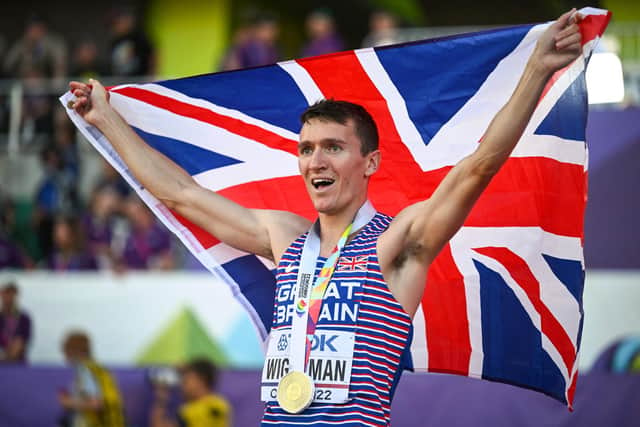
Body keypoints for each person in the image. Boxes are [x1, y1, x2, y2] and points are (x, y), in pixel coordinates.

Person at [68, 9, 584, 426]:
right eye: (307, 148)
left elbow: (477, 168)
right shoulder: (283, 236)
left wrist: (537, 68)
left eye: (333, 147)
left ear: (370, 163)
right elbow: (180, 194)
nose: (315, 161)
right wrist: (108, 119)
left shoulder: (398, 241)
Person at [58, 331, 125, 427]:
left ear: (72, 350)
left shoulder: (85, 372)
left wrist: (68, 402)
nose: (64, 355)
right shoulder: (99, 369)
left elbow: (96, 404)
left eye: (65, 350)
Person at [150, 358, 231, 427]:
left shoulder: (216, 405)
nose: (182, 386)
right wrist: (161, 398)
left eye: (186, 381)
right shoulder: (188, 410)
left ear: (201, 380)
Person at [0, 281, 32, 362]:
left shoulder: (24, 319)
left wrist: (10, 354)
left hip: (18, 362)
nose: (9, 298)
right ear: (2, 295)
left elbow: (22, 341)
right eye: (6, 294)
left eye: (11, 295)